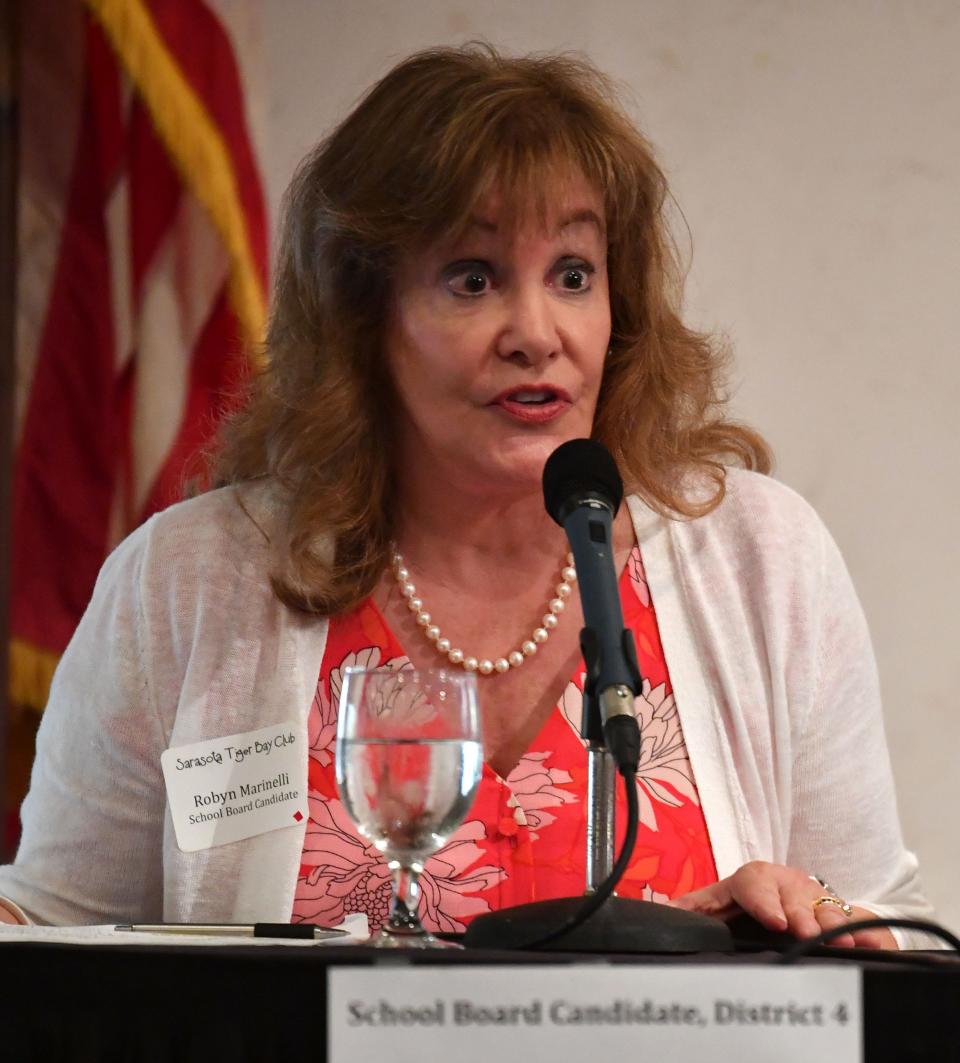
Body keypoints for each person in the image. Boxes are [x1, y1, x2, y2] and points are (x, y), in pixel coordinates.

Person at [0, 44, 940, 949]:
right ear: (367, 316)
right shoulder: (188, 583)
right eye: (473, 277)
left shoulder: (759, 559)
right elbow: (47, 927)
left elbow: (882, 919)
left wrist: (809, 921)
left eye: (573, 274)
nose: (536, 332)